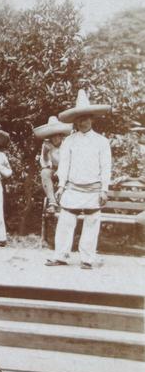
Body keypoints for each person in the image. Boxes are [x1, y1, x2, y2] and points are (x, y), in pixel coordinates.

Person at [46, 90, 112, 270]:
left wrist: (104, 189)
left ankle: (87, 259)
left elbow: (106, 167)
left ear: (93, 119)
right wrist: (61, 186)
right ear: (75, 121)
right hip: (73, 187)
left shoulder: (101, 142)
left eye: (87, 119)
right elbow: (64, 166)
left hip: (93, 188)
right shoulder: (69, 141)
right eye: (80, 119)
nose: (84, 122)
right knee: (66, 221)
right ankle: (60, 256)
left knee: (91, 223)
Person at [32, 116, 72, 213]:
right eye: (52, 136)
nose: (54, 138)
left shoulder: (67, 144)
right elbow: (44, 164)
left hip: (68, 170)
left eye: (56, 135)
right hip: (54, 170)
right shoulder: (47, 145)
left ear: (60, 135)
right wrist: (45, 153)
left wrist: (61, 171)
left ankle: (66, 204)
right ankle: (52, 202)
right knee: (44, 173)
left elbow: (68, 161)